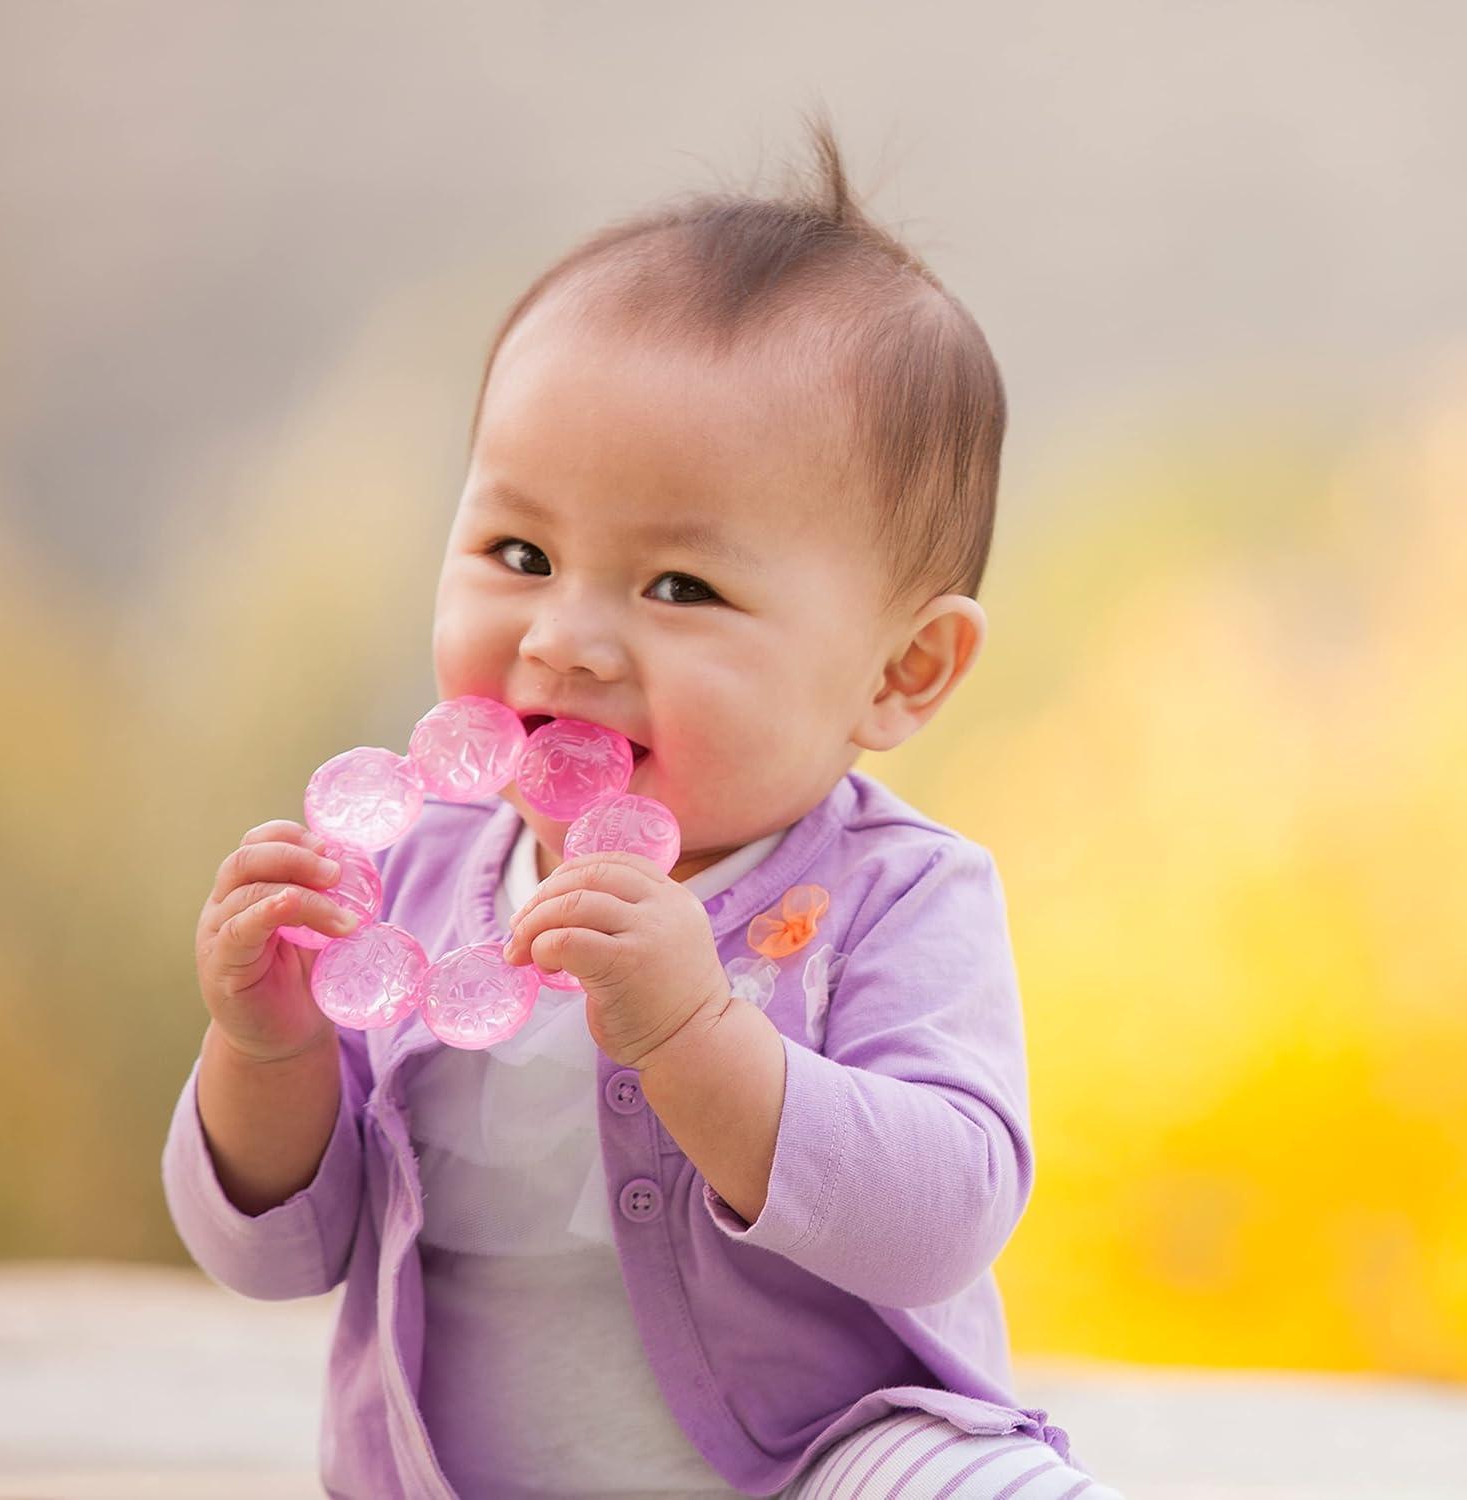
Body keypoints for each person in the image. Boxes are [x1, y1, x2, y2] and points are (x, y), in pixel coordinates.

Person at [162, 111, 1125, 1500]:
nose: (565, 640)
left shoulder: (899, 893)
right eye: (518, 552)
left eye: (681, 587)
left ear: (900, 672)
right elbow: (269, 1258)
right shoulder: (406, 878)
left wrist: (693, 1033)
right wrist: (266, 1046)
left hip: (823, 1458)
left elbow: (942, 1221)